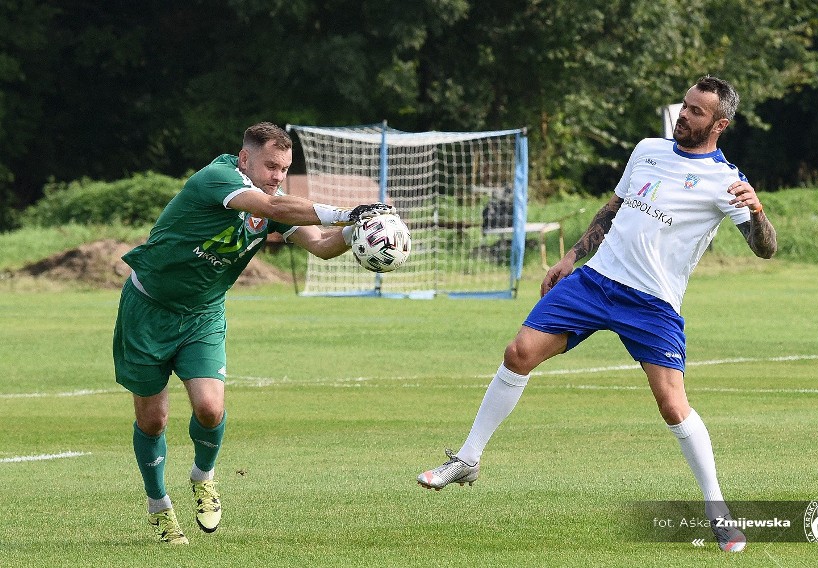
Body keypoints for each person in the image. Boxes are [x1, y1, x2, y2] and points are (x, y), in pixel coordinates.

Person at [416, 76, 777, 553]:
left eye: (695, 112)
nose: (682, 116)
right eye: (683, 106)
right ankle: (467, 457)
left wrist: (757, 211)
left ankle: (717, 509)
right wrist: (571, 259)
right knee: (518, 353)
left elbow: (765, 249)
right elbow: (615, 208)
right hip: (596, 281)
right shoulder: (648, 148)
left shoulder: (725, 181)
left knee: (672, 403)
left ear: (719, 124)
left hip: (653, 303)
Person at [113, 121, 393, 544]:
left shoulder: (274, 200)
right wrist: (347, 212)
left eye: (284, 169)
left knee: (210, 408)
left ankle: (203, 477)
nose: (278, 177)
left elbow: (320, 245)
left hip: (203, 315)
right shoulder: (218, 178)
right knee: (153, 421)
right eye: (271, 167)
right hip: (148, 309)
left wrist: (363, 231)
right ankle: (159, 507)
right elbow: (273, 209)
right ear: (245, 159)